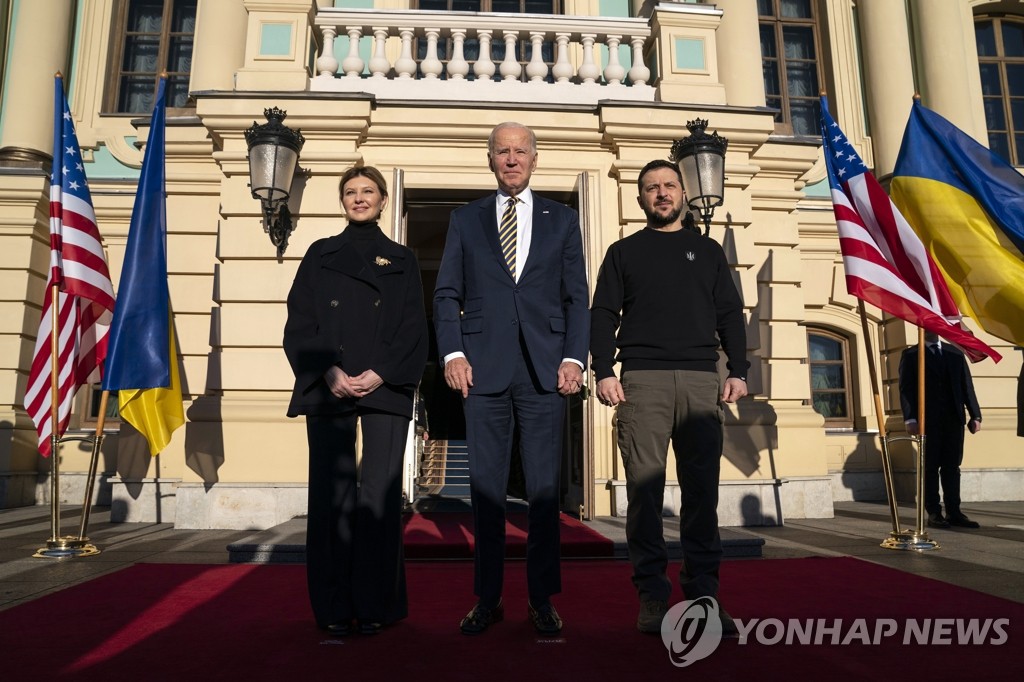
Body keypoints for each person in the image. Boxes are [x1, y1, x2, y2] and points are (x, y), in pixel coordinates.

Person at [433, 122, 589, 636]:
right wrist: (453, 352)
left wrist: (575, 358)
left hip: (546, 370)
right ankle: (488, 598)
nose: (512, 159)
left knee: (544, 493)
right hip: (482, 370)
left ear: (535, 159)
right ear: (491, 159)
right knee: (486, 492)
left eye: (521, 151)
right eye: (503, 151)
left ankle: (542, 600)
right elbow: (445, 294)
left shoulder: (563, 219)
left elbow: (575, 298)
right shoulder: (465, 219)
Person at [590, 159, 749, 635]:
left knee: (702, 496)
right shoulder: (623, 252)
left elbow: (730, 314)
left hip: (703, 382)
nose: (661, 193)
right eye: (651, 188)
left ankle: (703, 594)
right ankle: (652, 597)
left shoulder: (708, 251)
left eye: (669, 186)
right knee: (644, 494)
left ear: (682, 193)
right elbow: (602, 314)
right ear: (640, 199)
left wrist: (738, 371)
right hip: (642, 381)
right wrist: (602, 370)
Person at [284, 166, 428, 636]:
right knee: (332, 497)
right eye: (351, 192)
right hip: (329, 385)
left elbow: (413, 326)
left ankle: (375, 605)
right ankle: (332, 609)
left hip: (383, 385)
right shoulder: (320, 254)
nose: (359, 198)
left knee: (379, 498)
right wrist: (328, 370)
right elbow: (299, 323)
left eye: (368, 191)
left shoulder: (402, 258)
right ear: (342, 201)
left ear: (384, 200)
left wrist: (381, 372)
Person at [899, 332, 982, 529]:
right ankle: (934, 512)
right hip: (927, 421)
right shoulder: (912, 354)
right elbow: (906, 388)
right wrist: (910, 418)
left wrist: (975, 415)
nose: (932, 330)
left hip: (954, 419)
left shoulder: (954, 352)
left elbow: (966, 386)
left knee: (952, 467)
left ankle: (954, 512)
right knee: (930, 466)